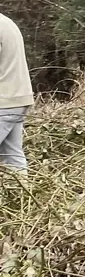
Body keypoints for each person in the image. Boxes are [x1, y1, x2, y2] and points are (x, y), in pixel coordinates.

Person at [0, 13, 33, 173]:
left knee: (12, 157)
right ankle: (21, 197)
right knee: (13, 158)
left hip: (3, 102)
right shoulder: (5, 22)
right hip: (18, 98)